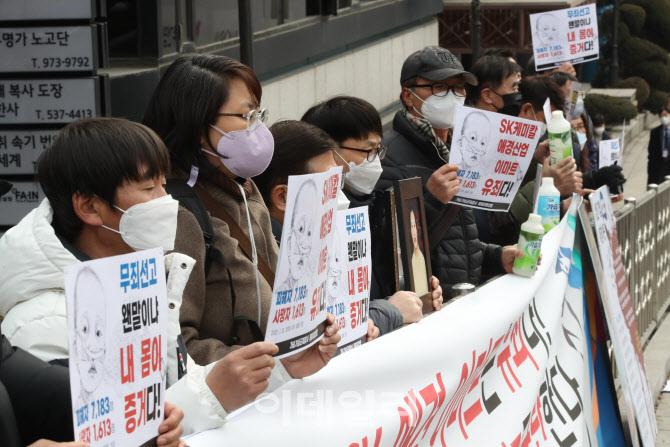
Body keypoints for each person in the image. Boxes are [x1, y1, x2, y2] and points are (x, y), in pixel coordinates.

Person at [0, 118, 235, 442]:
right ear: (90, 207)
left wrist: (270, 370)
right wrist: (214, 393)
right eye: (149, 187)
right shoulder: (43, 323)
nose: (167, 201)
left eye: (164, 185)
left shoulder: (137, 285)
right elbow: (98, 432)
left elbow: (177, 388)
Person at [143, 55, 341, 377]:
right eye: (245, 116)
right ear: (197, 125)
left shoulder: (245, 189)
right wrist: (266, 364)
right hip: (232, 406)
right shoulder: (177, 213)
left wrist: (307, 328)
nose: (258, 128)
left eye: (258, 114)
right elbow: (175, 346)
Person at [255, 119, 440, 334]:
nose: (339, 195)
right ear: (283, 197)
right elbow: (310, 337)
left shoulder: (324, 241)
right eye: (328, 184)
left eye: (338, 181)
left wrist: (411, 302)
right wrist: (390, 310)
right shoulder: (264, 264)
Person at [377, 45, 524, 299]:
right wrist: (432, 200)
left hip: (463, 301)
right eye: (439, 87)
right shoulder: (387, 155)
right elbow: (390, 252)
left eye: (458, 88)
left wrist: (499, 256)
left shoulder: (459, 150)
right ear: (408, 96)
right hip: (427, 309)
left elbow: (459, 242)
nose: (452, 96)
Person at [300, 96, 443, 316]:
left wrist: (418, 293)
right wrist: (391, 309)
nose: (375, 161)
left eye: (377, 150)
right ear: (328, 150)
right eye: (367, 151)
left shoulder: (379, 206)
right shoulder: (311, 223)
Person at [408, 204, 428, 296]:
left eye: (415, 226)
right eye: (411, 227)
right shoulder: (409, 259)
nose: (414, 232)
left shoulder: (423, 257)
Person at [647, 106, 670, 185]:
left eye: (665, 115)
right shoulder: (655, 132)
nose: (663, 118)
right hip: (659, 168)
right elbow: (651, 152)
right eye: (661, 116)